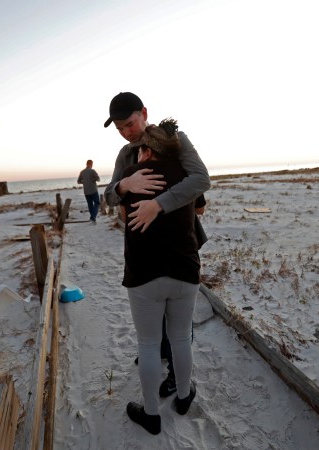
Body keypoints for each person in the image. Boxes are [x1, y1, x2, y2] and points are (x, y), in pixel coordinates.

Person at [120, 119, 202, 435]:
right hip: (184, 269)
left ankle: (152, 415)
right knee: (181, 338)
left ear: (145, 151)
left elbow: (125, 215)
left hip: (144, 274)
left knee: (149, 344)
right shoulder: (187, 176)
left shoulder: (131, 177)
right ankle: (183, 397)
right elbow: (198, 210)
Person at [103, 92, 210, 234]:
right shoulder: (125, 153)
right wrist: (124, 185)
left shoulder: (175, 140)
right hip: (142, 241)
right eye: (120, 129)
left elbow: (201, 180)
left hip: (180, 238)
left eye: (130, 124)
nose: (127, 133)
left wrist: (157, 205)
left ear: (144, 113)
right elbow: (109, 198)